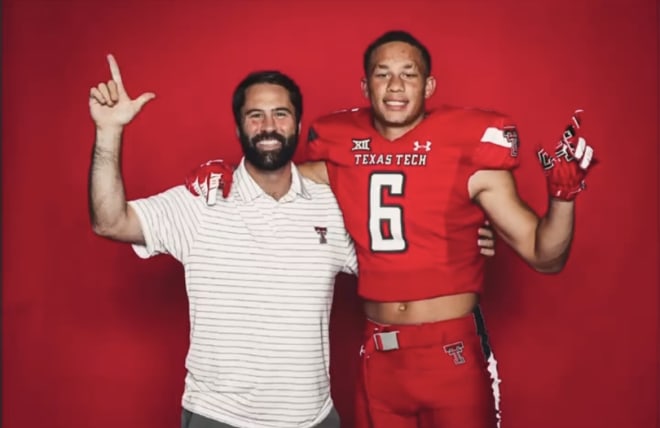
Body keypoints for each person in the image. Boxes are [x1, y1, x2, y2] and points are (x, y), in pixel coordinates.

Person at [185, 30, 595, 428]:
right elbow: (272, 175)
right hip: (379, 356)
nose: (395, 85)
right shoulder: (343, 149)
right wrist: (228, 170)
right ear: (365, 86)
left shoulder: (469, 152)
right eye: (383, 74)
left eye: (409, 73)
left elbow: (546, 257)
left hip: (450, 354)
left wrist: (563, 198)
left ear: (429, 85)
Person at [88, 56, 356, 428]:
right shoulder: (202, 199)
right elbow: (111, 222)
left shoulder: (332, 206)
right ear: (238, 128)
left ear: (297, 124)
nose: (268, 126)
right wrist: (108, 132)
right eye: (255, 115)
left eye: (280, 114)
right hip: (220, 417)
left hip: (312, 417)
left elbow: (397, 266)